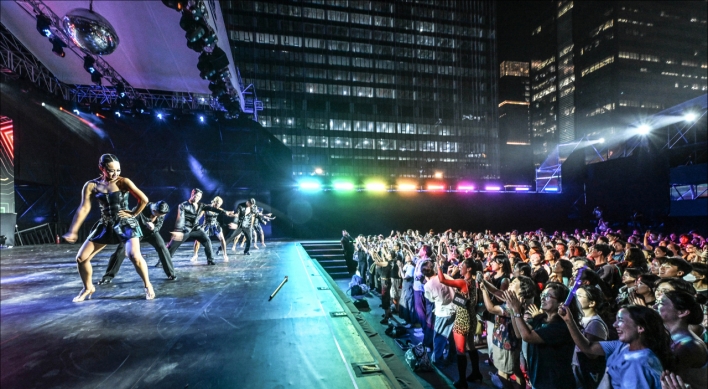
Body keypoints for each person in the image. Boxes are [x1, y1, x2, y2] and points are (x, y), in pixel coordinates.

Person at [62, 154, 154, 301]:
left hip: (125, 225)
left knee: (134, 256)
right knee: (81, 258)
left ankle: (148, 285)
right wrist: (73, 231)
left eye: (118, 170)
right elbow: (84, 208)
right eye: (111, 170)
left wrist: (133, 213)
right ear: (101, 168)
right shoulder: (91, 185)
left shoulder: (124, 182)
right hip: (106, 225)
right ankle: (88, 288)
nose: (115, 174)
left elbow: (144, 199)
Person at [558, 304, 673, 389]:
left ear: (640, 328)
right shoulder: (622, 346)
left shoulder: (637, 361)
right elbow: (589, 347)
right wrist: (569, 321)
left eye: (621, 321)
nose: (614, 325)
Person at [505, 282, 576, 389]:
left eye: (547, 296)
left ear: (560, 303)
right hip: (538, 377)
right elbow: (519, 334)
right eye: (542, 295)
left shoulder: (560, 326)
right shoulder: (541, 318)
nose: (542, 298)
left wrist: (517, 311)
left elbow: (527, 336)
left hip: (554, 382)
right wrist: (512, 310)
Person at [99, 200, 176, 284]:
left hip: (151, 233)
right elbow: (130, 222)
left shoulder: (161, 211)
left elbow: (159, 226)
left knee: (162, 247)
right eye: (160, 214)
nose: (162, 216)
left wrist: (153, 228)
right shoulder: (141, 209)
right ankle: (108, 277)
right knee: (120, 251)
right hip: (135, 232)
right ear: (154, 210)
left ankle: (171, 274)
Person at [480, 275, 536, 389]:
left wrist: (483, 291)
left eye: (514, 283)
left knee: (503, 374)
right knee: (516, 370)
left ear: (521, 291)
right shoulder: (512, 298)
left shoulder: (514, 306)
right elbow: (496, 291)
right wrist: (484, 282)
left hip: (506, 345)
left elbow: (491, 308)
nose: (510, 283)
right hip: (508, 343)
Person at [436, 258, 482, 387]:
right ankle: (476, 372)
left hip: (462, 319)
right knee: (471, 346)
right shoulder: (473, 282)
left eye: (462, 266)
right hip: (471, 317)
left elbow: (442, 280)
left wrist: (439, 267)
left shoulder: (463, 282)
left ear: (469, 269)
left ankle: (462, 381)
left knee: (460, 350)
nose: (460, 267)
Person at [655, 291, 707, 389]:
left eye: (661, 303)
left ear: (682, 312)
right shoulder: (673, 337)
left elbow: (664, 378)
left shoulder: (686, 345)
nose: (655, 306)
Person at [572, 285, 610, 389]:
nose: (574, 298)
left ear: (592, 303)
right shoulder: (580, 318)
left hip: (585, 370)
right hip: (576, 366)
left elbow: (591, 354)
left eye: (579, 296)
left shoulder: (595, 324)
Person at [190, 196, 230, 263]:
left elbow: (226, 213)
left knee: (222, 239)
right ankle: (195, 255)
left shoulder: (218, 209)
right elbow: (199, 216)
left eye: (219, 205)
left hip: (215, 225)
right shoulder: (206, 207)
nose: (218, 206)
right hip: (206, 225)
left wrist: (234, 215)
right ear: (214, 202)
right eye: (217, 204)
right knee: (198, 240)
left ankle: (225, 254)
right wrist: (194, 223)